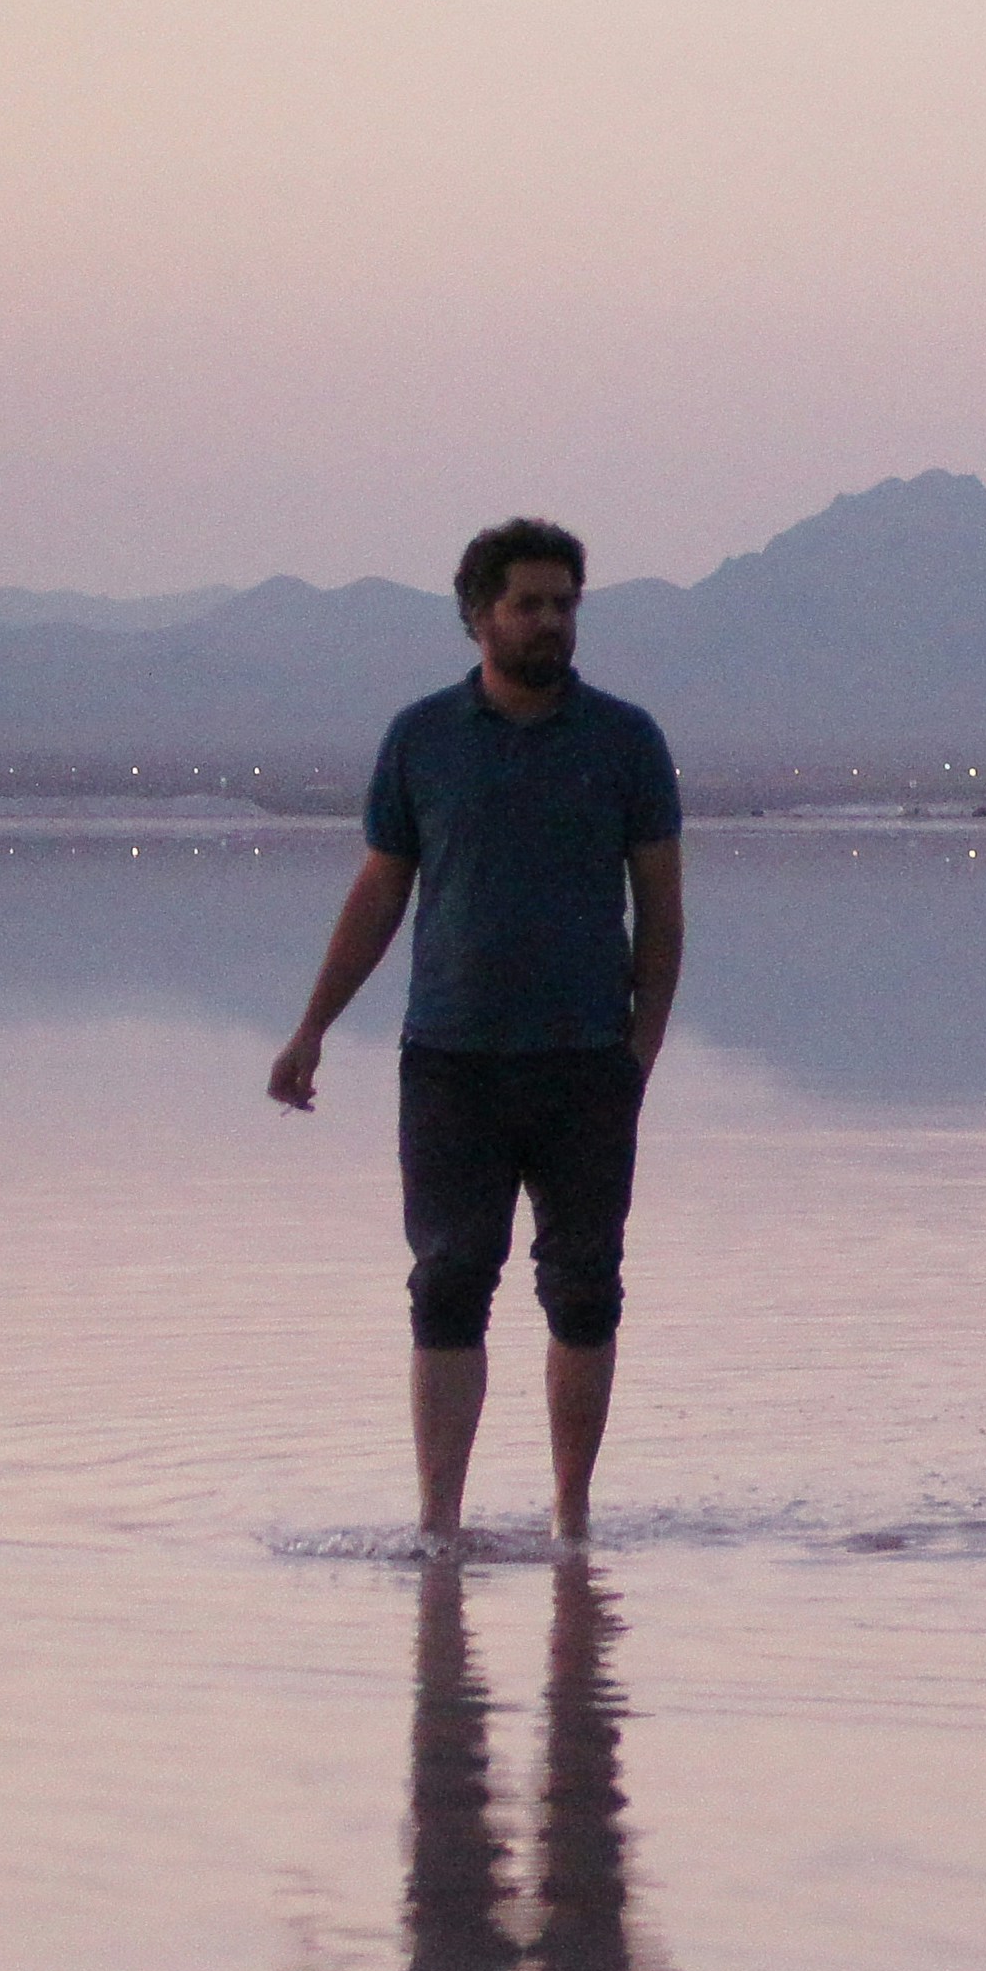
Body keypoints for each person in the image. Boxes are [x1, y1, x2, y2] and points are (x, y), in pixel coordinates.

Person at [269, 518, 684, 1554]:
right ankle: (439, 1526)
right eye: (529, 603)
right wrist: (312, 1028)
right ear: (478, 617)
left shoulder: (624, 740)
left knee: (583, 1285)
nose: (551, 622)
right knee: (449, 1278)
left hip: (586, 1059)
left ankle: (571, 1519)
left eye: (564, 603)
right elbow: (380, 891)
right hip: (451, 1058)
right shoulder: (422, 739)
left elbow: (661, 908)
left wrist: (640, 1052)